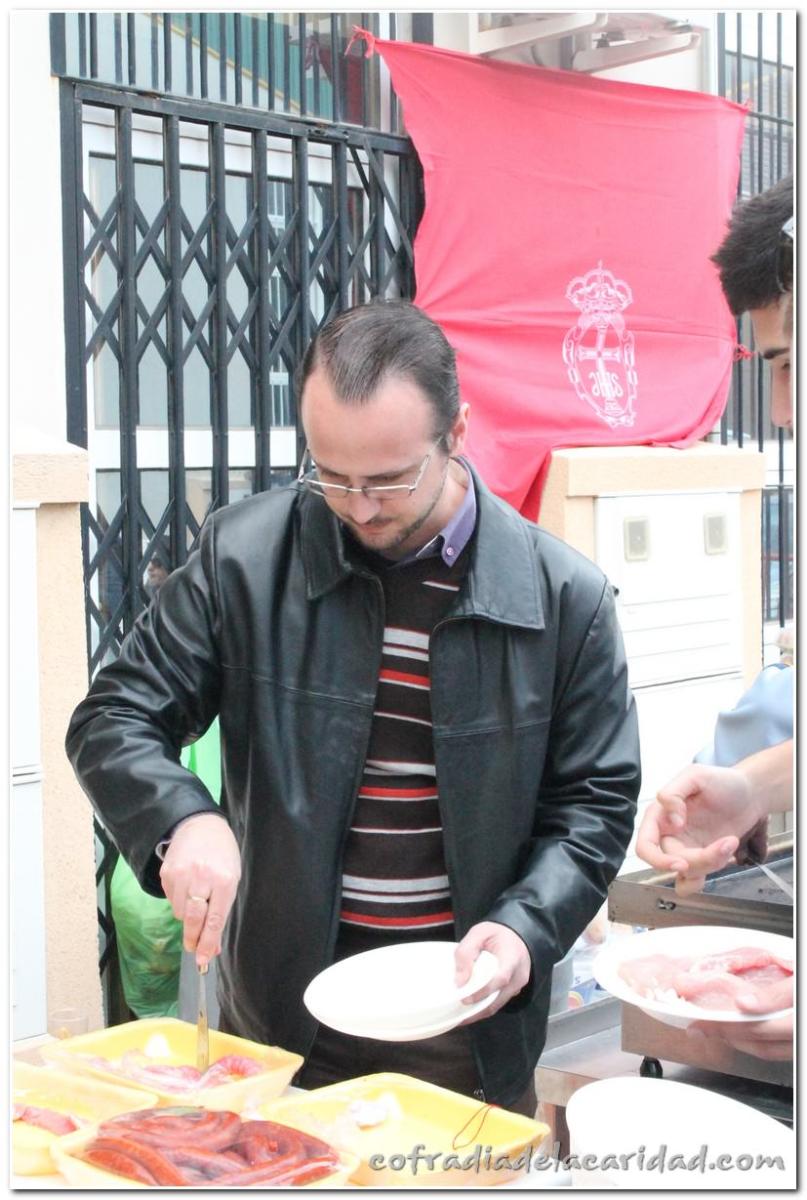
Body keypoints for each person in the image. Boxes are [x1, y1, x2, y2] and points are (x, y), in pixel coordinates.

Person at [66, 300, 641, 1113]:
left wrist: (525, 926)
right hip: (284, 1014)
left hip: (465, 1014)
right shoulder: (245, 558)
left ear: (457, 433)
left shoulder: (562, 598)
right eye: (330, 475)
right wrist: (181, 818)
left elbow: (594, 803)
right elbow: (114, 715)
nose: (359, 506)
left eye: (388, 479)